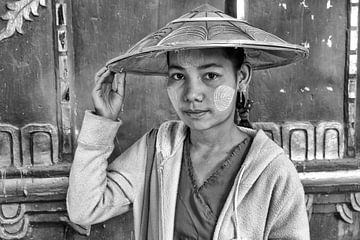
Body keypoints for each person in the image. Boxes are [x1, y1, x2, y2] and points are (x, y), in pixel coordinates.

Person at [66, 4, 310, 240]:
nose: (192, 93)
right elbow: (84, 209)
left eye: (211, 75)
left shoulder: (273, 172)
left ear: (242, 77)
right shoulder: (157, 150)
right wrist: (103, 121)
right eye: (178, 76)